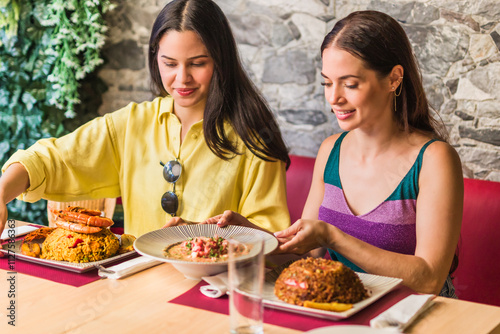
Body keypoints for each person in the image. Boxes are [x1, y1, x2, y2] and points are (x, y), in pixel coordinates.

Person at [209, 10, 463, 297]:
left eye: (350, 84)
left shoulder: (434, 159)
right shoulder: (331, 149)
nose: (334, 97)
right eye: (327, 83)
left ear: (393, 79)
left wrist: (333, 236)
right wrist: (248, 236)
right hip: (345, 308)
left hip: (418, 317)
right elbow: (306, 258)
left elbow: (429, 278)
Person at [0, 0, 291, 238]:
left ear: (220, 60)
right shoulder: (133, 123)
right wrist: (1, 194)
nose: (182, 78)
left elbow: (273, 243)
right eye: (170, 64)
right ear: (155, 59)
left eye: (198, 63)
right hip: (134, 287)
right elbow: (51, 159)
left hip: (210, 295)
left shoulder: (252, 139)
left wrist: (215, 235)